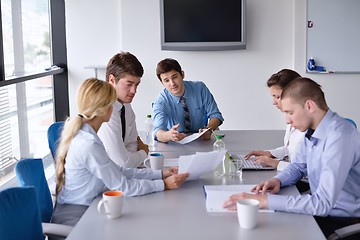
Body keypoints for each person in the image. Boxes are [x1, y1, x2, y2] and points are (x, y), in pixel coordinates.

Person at [223, 77, 360, 238]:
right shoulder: (313, 131)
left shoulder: (340, 136)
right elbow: (298, 166)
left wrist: (264, 201)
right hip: (322, 212)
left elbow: (322, 203)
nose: (287, 120)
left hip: (343, 219)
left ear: (309, 106)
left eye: (290, 112)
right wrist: (278, 180)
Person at [53, 78, 189, 226]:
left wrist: (160, 174)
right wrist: (163, 185)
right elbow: (123, 186)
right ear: (104, 108)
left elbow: (119, 171)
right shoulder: (88, 144)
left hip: (87, 206)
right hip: (76, 216)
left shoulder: (87, 135)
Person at [244, 69, 306, 171]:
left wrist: (276, 163)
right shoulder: (292, 117)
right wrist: (269, 154)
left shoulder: (309, 125)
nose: (274, 102)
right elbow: (290, 150)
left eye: (277, 97)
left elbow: (306, 170)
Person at [152, 58, 224, 143]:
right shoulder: (160, 102)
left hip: (201, 141)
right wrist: (169, 135)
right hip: (175, 143)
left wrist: (207, 130)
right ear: (162, 83)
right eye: (166, 80)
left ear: (182, 74)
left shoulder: (200, 88)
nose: (172, 83)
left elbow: (216, 116)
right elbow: (157, 133)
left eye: (174, 77)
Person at [98, 52, 148, 168]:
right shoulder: (105, 110)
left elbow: (132, 144)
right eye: (129, 84)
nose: (134, 91)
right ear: (111, 80)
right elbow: (122, 163)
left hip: (122, 175)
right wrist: (144, 152)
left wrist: (132, 157)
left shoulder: (125, 104)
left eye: (137, 85)